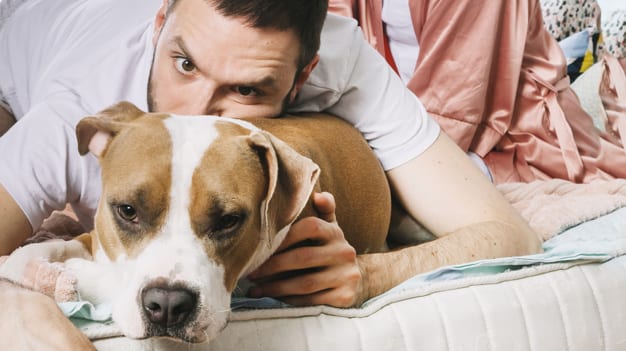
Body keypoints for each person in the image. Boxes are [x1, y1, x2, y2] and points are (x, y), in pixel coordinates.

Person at [0, 0, 541, 345]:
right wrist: (23, 305)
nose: (197, 115)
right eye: (184, 65)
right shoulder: (72, 107)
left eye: (247, 90)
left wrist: (371, 274)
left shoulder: (344, 62)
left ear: (304, 76)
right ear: (160, 23)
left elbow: (509, 235)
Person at [329, 0, 626, 184]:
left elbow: (453, 105)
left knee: (421, 199)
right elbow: (335, 43)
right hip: (417, 119)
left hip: (512, 136)